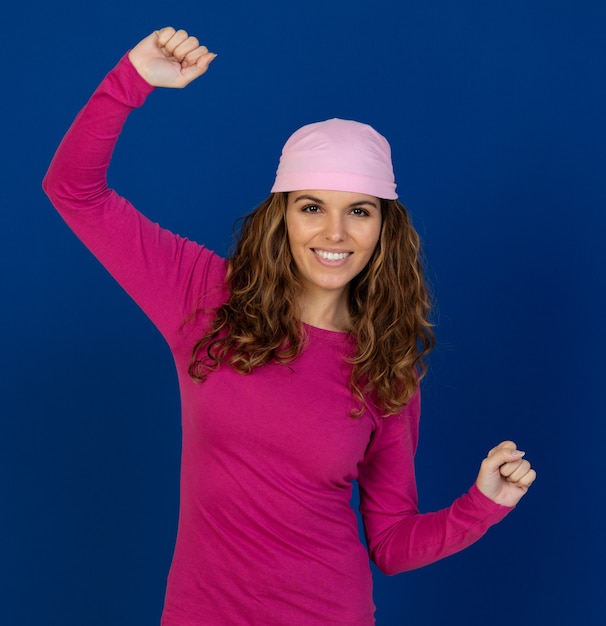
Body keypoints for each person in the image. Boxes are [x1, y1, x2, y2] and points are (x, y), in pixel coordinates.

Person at [43, 27, 536, 626]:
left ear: (384, 229)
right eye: (311, 207)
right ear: (282, 218)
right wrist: (131, 80)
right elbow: (74, 191)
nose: (334, 233)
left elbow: (391, 546)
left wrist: (484, 504)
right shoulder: (205, 297)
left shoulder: (386, 367)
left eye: (359, 210)